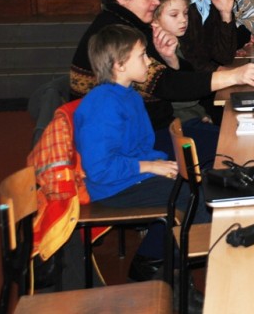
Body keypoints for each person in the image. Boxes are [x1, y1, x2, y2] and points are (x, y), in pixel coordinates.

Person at [70, 0, 254, 163]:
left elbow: (180, 76)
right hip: (134, 147)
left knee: (240, 136)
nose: (156, 2)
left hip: (155, 130)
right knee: (240, 146)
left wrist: (170, 60)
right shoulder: (115, 34)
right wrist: (235, 76)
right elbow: (167, 84)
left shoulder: (132, 24)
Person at [73, 24, 210, 282]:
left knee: (204, 181)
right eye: (142, 55)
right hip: (113, 187)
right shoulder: (103, 105)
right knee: (194, 194)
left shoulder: (130, 96)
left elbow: (141, 146)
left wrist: (157, 164)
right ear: (119, 65)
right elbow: (100, 168)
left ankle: (175, 263)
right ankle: (169, 270)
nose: (149, 61)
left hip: (132, 176)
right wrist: (150, 167)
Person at [151, 0, 212, 125]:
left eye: (185, 13)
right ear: (154, 19)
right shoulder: (155, 49)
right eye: (174, 15)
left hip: (192, 116)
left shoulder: (177, 42)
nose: (183, 19)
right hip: (179, 123)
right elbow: (186, 98)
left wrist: (203, 114)